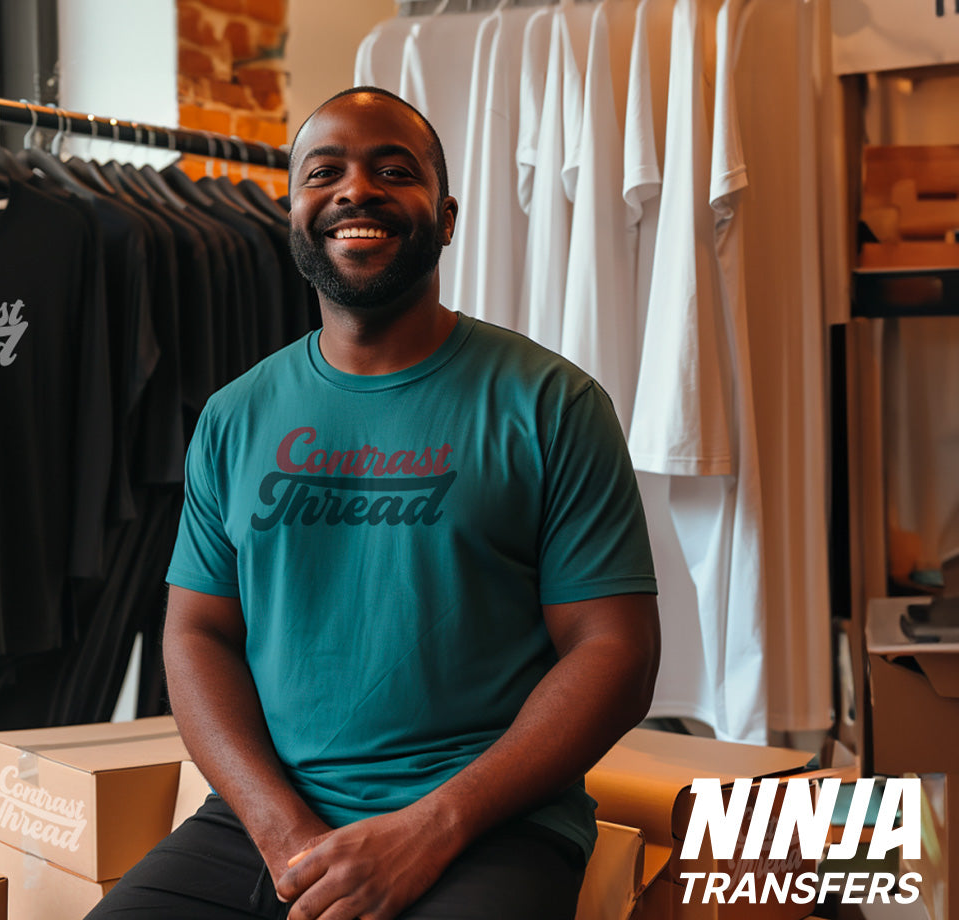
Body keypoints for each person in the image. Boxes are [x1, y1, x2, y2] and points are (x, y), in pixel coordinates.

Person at [86, 87, 661, 920]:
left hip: (490, 827)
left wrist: (433, 826)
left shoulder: (552, 405)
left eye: (394, 170)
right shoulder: (234, 415)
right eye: (326, 172)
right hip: (269, 821)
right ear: (293, 212)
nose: (356, 190)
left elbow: (615, 652)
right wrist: (281, 829)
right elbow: (196, 632)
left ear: (448, 216)